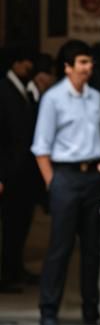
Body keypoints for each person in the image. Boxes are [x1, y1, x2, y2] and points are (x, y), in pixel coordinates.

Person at [30, 40, 100, 325]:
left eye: (90, 62)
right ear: (68, 67)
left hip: (92, 177)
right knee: (60, 247)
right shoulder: (53, 99)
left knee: (92, 248)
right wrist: (52, 182)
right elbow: (41, 146)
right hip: (65, 176)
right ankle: (49, 309)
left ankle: (91, 309)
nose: (88, 68)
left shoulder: (96, 98)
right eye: (82, 63)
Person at [0, 46, 40, 292]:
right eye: (25, 61)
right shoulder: (4, 90)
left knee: (20, 224)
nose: (29, 66)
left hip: (23, 173)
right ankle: (6, 275)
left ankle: (15, 269)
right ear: (15, 63)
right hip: (9, 172)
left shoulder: (24, 89)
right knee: (10, 225)